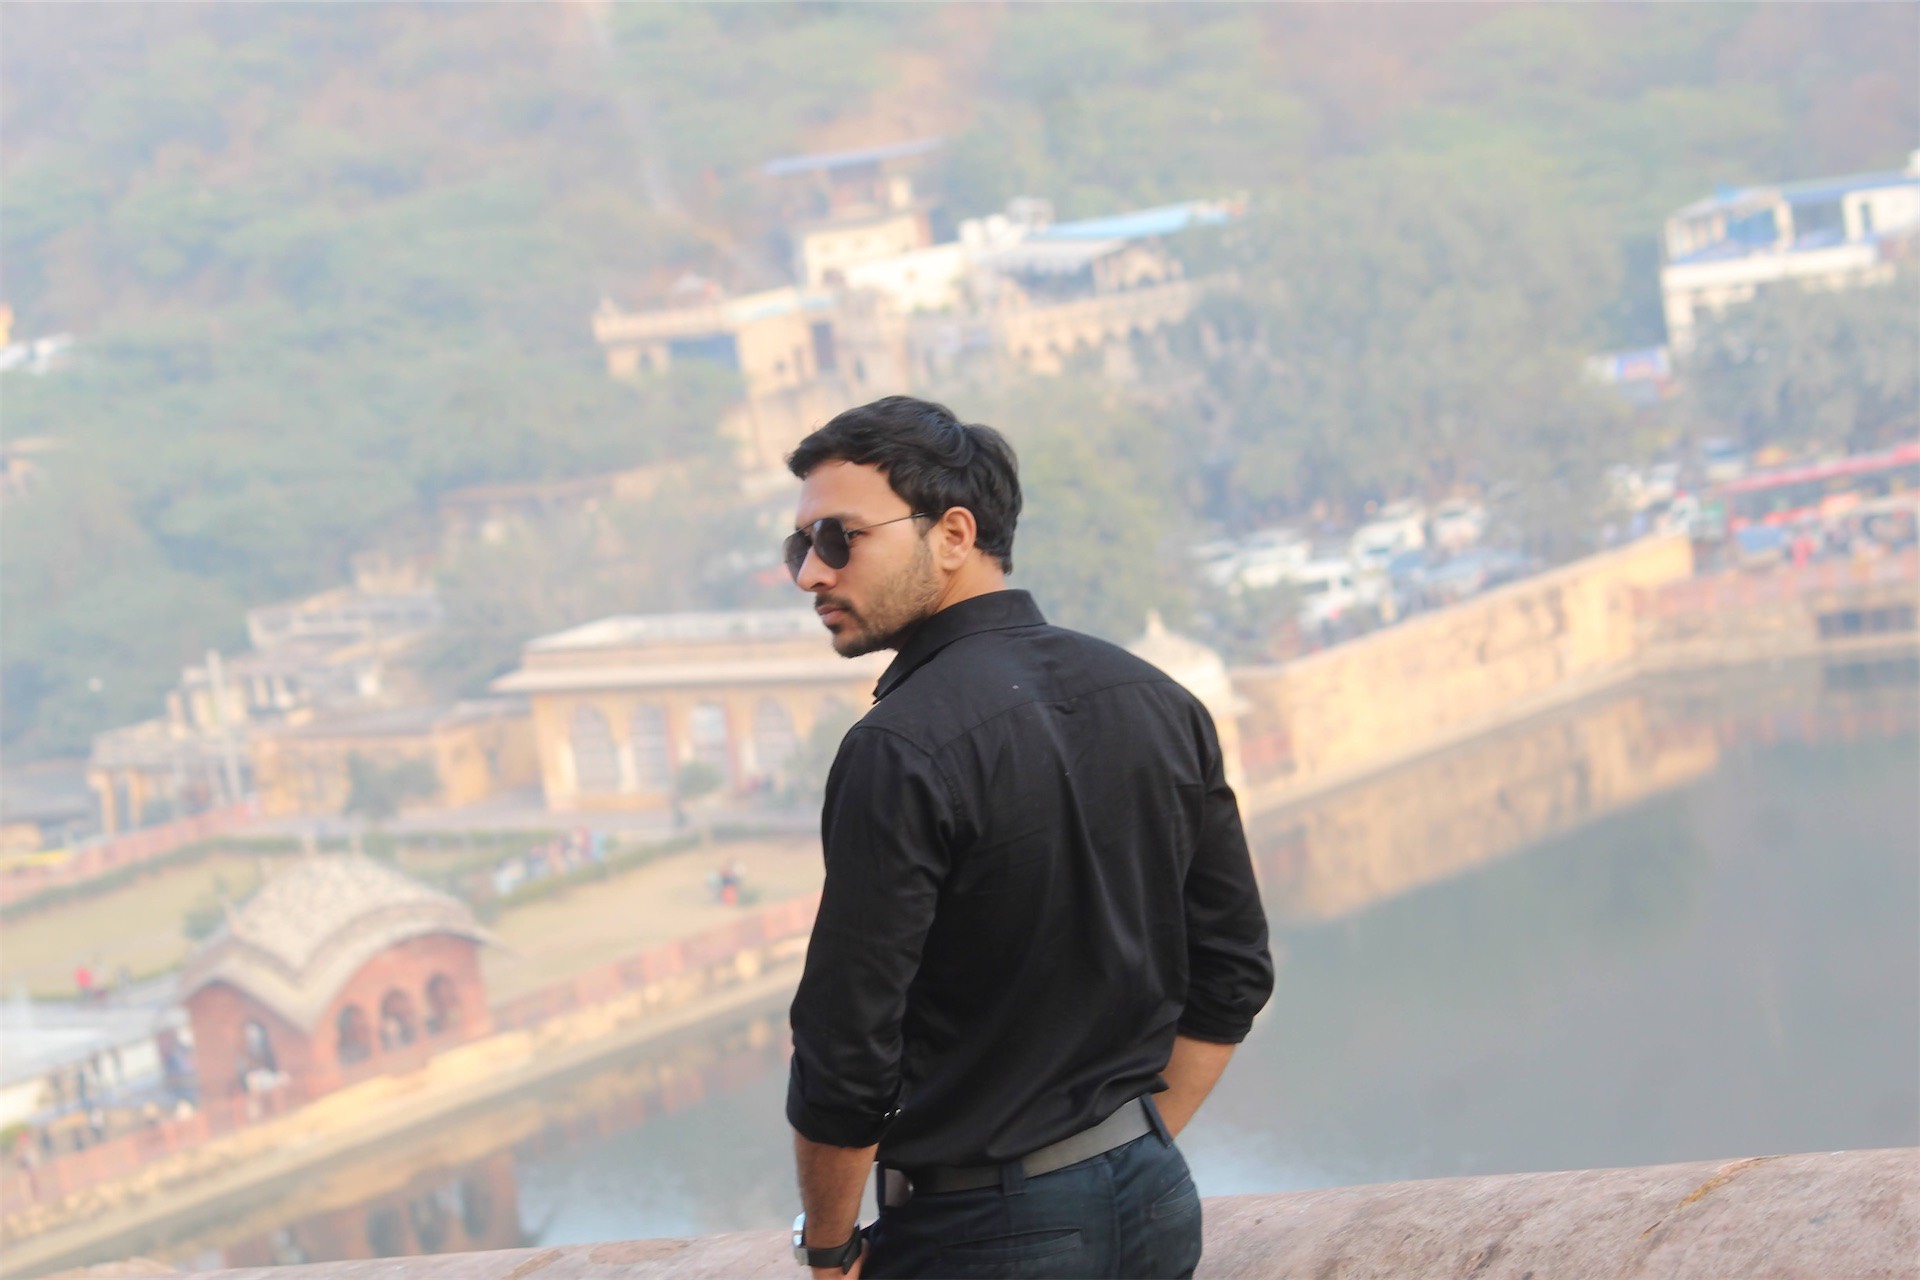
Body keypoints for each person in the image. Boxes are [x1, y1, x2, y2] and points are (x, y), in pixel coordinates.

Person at [782, 397, 1274, 1279]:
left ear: (954, 534)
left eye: (838, 538)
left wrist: (827, 1246)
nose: (811, 574)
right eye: (800, 547)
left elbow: (847, 1050)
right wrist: (1130, 1145)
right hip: (1153, 1197)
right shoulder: (1154, 697)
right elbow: (1233, 972)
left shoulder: (898, 749)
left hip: (980, 1230)